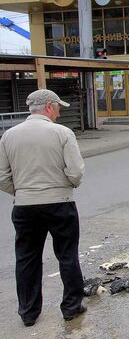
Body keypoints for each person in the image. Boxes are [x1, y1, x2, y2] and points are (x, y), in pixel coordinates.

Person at [0, 89, 86, 326]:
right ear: (49, 106)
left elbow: (2, 176)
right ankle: (71, 307)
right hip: (60, 204)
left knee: (26, 258)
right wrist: (65, 186)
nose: (59, 113)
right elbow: (76, 173)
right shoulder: (62, 133)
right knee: (67, 255)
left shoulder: (9, 136)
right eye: (58, 108)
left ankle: (28, 313)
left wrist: (22, 192)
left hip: (25, 206)